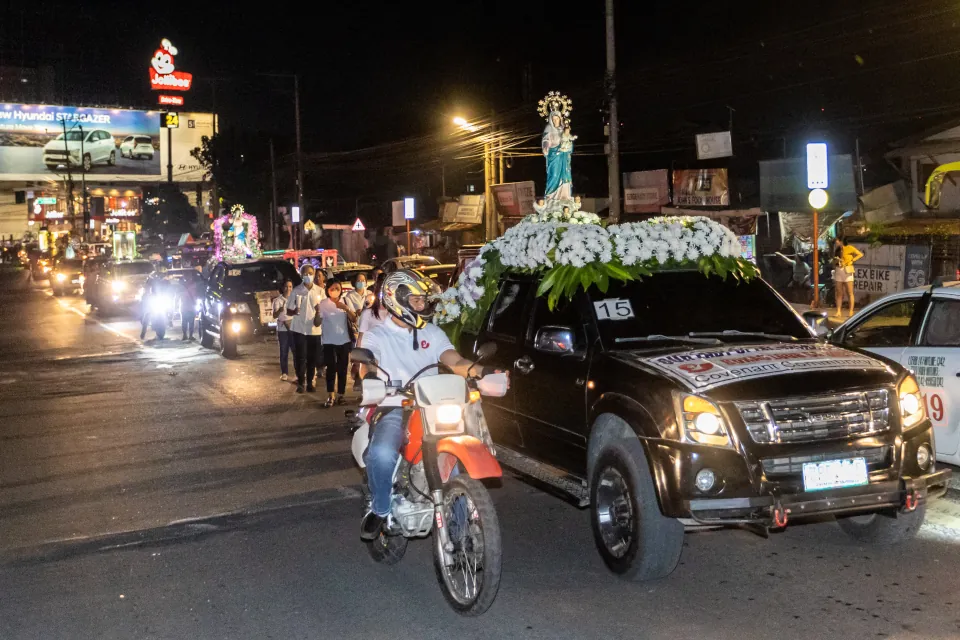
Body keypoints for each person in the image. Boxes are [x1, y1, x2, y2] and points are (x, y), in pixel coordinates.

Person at [358, 269, 509, 540]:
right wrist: (370, 376)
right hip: (395, 403)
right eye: (416, 300)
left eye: (423, 300)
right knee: (381, 453)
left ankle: (462, 512)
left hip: (433, 403)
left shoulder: (432, 332)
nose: (423, 305)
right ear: (397, 298)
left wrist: (481, 372)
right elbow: (368, 361)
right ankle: (380, 509)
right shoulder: (377, 336)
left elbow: (454, 360)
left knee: (467, 437)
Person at [318, 280, 357, 407]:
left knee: (342, 368)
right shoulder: (323, 303)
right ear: (327, 290)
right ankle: (331, 395)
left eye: (337, 288)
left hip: (344, 340)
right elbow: (317, 322)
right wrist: (317, 313)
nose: (335, 290)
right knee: (331, 369)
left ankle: (341, 395)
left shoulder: (345, 301)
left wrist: (346, 308)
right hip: (329, 341)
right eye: (332, 288)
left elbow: (354, 318)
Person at [286, 264, 324, 393]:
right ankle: (301, 382)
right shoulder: (296, 291)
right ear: (301, 275)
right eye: (305, 273)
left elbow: (324, 312)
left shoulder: (320, 291)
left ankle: (310, 383)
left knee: (312, 358)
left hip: (314, 330)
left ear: (313, 274)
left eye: (310, 273)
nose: (308, 276)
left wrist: (319, 311)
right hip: (299, 329)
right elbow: (288, 310)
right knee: (300, 357)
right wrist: (294, 311)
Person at [833, 237, 864, 318]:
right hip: (839, 270)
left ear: (841, 241)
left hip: (847, 270)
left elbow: (860, 254)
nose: (836, 243)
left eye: (837, 241)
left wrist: (852, 260)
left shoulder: (849, 248)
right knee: (839, 292)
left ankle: (851, 311)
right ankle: (838, 311)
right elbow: (834, 261)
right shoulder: (837, 250)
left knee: (849, 292)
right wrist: (836, 260)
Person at [273, 279, 294, 381]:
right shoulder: (277, 301)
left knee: (296, 352)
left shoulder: (295, 299)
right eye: (286, 286)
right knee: (284, 351)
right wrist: (279, 311)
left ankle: (299, 372)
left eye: (290, 286)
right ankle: (284, 373)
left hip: (294, 329)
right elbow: (274, 315)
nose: (288, 289)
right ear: (282, 288)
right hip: (282, 330)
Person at [179, 273, 199, 341]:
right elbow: (196, 296)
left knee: (185, 322)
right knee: (191, 322)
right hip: (190, 307)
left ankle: (185, 335)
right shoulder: (194, 286)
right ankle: (189, 335)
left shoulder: (182, 287)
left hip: (184, 307)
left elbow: (179, 296)